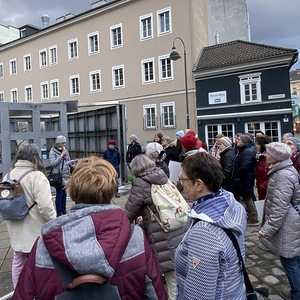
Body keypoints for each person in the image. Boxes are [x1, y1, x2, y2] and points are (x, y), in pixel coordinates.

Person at [12, 157, 167, 300]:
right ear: (112, 191)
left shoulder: (43, 245)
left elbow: (24, 295)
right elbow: (155, 293)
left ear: (71, 192)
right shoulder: (136, 237)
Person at [174, 152, 247, 299]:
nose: (181, 183)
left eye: (183, 179)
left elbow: (199, 294)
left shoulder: (205, 233)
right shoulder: (233, 204)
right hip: (235, 291)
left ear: (199, 184)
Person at [124, 154, 187, 300]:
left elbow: (128, 214)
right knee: (178, 274)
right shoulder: (161, 175)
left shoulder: (141, 183)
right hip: (179, 228)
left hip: (163, 235)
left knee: (172, 281)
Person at [4, 144, 56, 288]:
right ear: (36, 157)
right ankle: (37, 290)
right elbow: (45, 206)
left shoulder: (8, 175)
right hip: (34, 228)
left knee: (18, 260)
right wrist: (54, 222)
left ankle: (18, 291)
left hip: (14, 225)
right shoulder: (37, 176)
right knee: (38, 261)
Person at [259, 142, 300, 300]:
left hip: (288, 224)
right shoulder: (284, 170)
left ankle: (296, 294)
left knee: (290, 260)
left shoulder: (282, 175)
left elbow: (279, 208)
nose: (265, 155)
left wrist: (266, 230)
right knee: (294, 259)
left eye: (269, 153)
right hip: (291, 221)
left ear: (276, 157)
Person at [233, 134, 259, 225]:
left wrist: (237, 175)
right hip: (245, 177)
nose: (236, 141)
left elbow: (245, 167)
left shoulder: (247, 151)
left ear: (244, 141)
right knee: (247, 196)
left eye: (239, 139)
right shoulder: (245, 150)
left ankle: (254, 217)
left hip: (245, 178)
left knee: (247, 197)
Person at [49, 135, 72, 217]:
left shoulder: (66, 151)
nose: (63, 145)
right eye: (62, 143)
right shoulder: (52, 151)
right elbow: (53, 163)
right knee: (59, 193)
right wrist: (61, 155)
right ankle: (59, 212)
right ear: (58, 143)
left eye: (64, 143)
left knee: (64, 194)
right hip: (58, 175)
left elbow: (68, 161)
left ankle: (64, 210)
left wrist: (71, 163)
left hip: (66, 175)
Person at [255, 135, 271, 200]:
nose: (256, 146)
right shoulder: (261, 157)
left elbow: (270, 176)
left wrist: (262, 186)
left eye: (257, 144)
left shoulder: (269, 159)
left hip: (266, 191)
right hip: (262, 189)